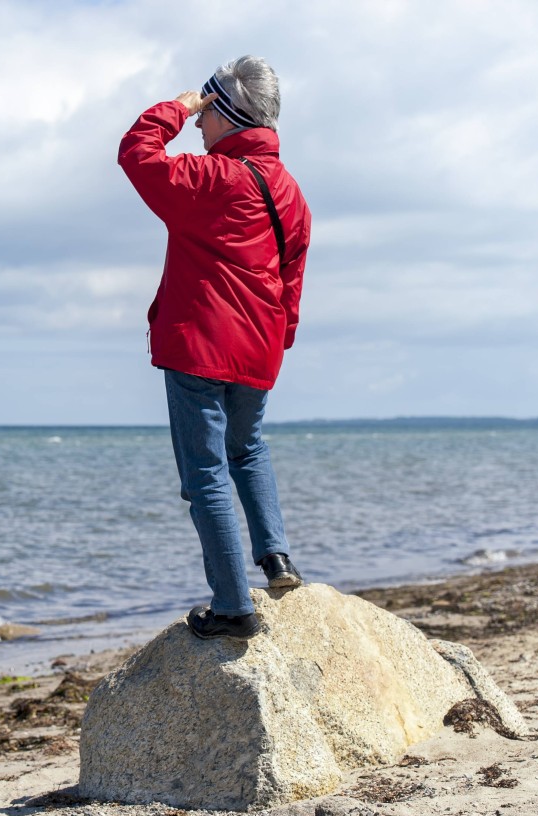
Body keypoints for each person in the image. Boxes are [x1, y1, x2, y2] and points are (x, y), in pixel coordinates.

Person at [118, 55, 311, 640]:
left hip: (200, 345)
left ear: (227, 114)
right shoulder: (290, 191)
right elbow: (291, 280)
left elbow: (137, 154)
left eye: (207, 113)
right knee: (247, 449)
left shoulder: (212, 180)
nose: (199, 126)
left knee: (204, 473)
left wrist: (174, 108)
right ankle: (275, 559)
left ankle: (233, 607)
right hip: (258, 348)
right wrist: (278, 345)